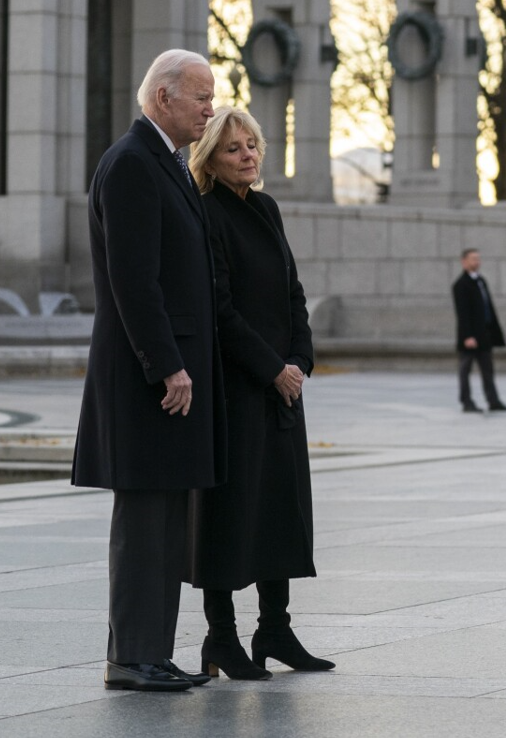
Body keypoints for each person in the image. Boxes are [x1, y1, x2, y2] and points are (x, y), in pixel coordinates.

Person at [72, 49, 225, 692]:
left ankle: (151, 655)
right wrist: (168, 365)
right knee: (144, 524)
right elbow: (133, 283)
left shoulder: (165, 163)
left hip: (168, 378)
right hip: (150, 382)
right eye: (201, 97)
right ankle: (131, 658)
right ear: (164, 98)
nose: (210, 109)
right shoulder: (133, 164)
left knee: (166, 522)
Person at [185, 107, 333, 680]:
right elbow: (219, 308)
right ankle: (220, 639)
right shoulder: (206, 214)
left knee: (280, 509)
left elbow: (294, 293)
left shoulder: (266, 209)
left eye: (252, 145)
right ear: (210, 160)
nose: (248, 155)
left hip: (281, 390)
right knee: (229, 515)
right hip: (236, 390)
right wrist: (272, 368)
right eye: (233, 149)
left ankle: (275, 629)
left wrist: (298, 362)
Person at [452, 249, 506, 413]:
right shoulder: (460, 285)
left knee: (488, 370)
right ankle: (466, 401)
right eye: (473, 259)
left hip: (484, 334)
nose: (477, 262)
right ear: (464, 262)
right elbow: (462, 313)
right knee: (465, 370)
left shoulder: (481, 281)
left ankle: (493, 400)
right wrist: (468, 336)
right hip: (470, 337)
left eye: (478, 259)